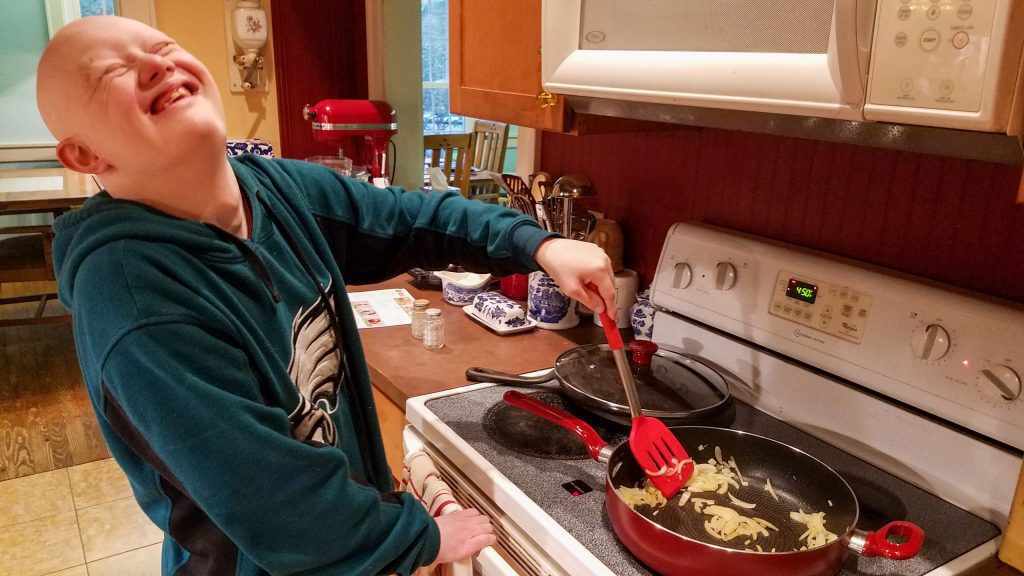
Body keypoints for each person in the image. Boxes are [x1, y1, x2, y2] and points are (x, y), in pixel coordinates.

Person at [36, 15, 616, 576]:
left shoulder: (275, 189)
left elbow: (413, 219)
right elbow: (275, 503)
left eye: (162, 47)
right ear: (86, 156)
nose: (154, 66)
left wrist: (538, 245)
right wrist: (418, 537)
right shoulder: (137, 302)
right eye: (111, 73)